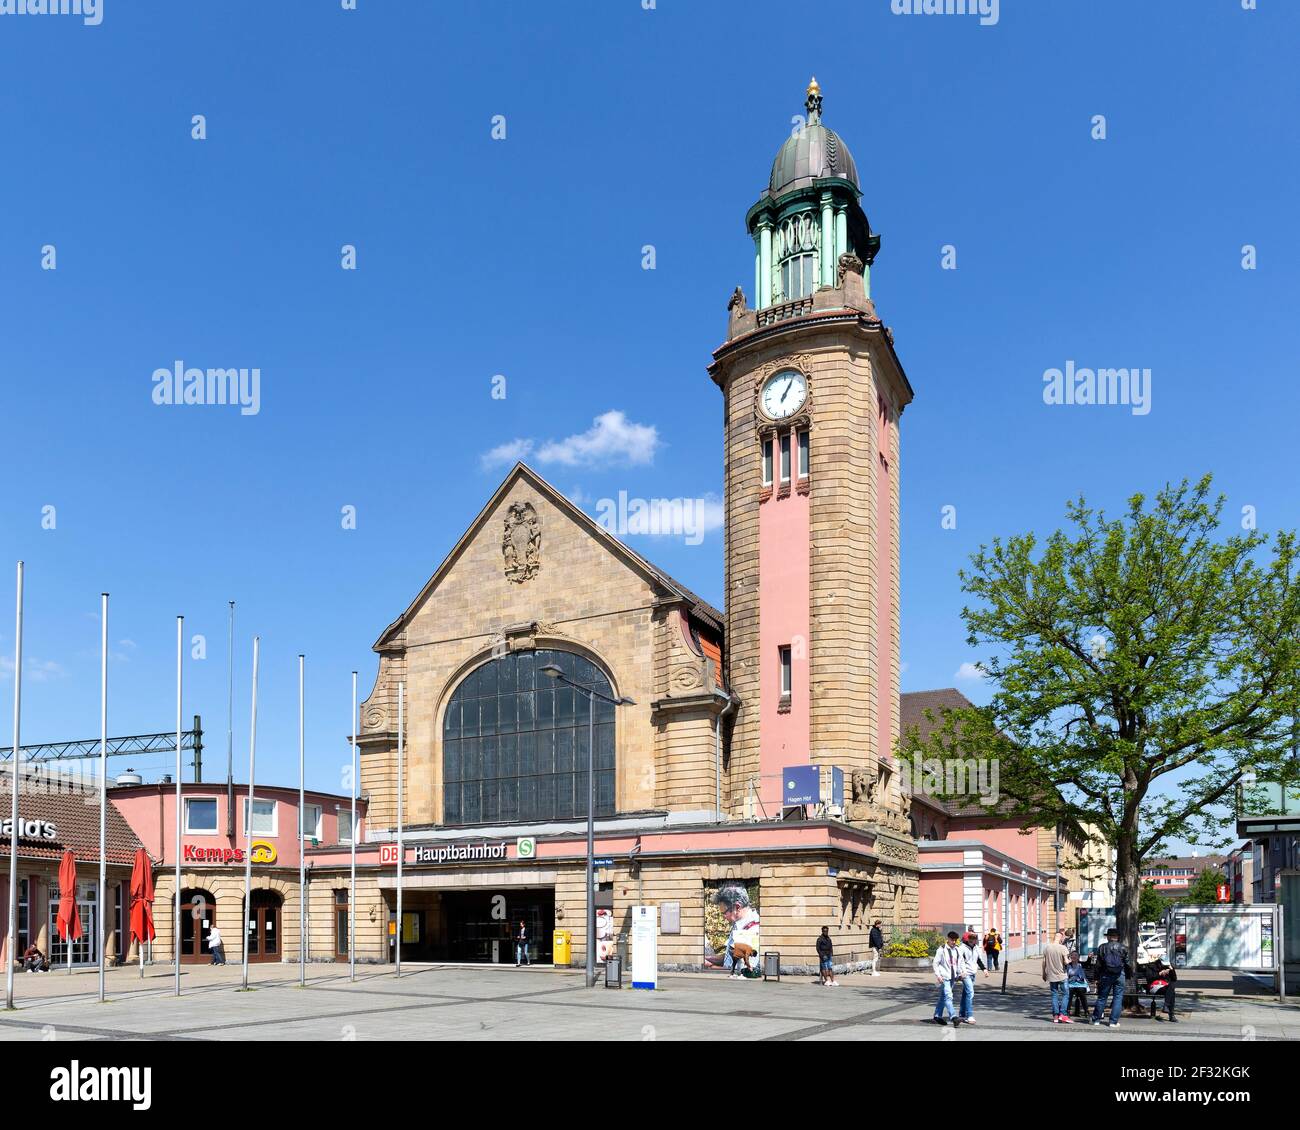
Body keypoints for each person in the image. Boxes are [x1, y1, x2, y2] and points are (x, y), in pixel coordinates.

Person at [1091, 927, 1131, 1028]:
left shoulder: (1102, 947)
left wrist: (1096, 977)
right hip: (1119, 974)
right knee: (1118, 998)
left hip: (1105, 974)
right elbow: (1128, 963)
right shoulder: (1123, 947)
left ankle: (1096, 1019)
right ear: (1117, 937)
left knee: (1102, 997)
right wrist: (1128, 975)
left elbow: (1098, 965)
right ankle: (1113, 1022)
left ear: (1108, 937)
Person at [932, 930, 969, 1026]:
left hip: (953, 978)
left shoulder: (957, 949)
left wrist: (963, 972)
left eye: (955, 940)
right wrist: (938, 975)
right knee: (949, 996)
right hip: (945, 977)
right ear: (948, 939)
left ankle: (937, 1016)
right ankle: (953, 1017)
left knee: (943, 997)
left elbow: (961, 962)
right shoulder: (941, 950)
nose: (954, 942)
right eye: (952, 940)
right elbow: (935, 963)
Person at [1042, 929, 1072, 1023]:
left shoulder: (1047, 948)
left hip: (1051, 975)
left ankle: (1055, 1016)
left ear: (1053, 938)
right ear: (1060, 938)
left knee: (1054, 995)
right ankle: (1062, 1014)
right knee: (1066, 994)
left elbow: (1043, 962)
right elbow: (1066, 962)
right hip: (1062, 975)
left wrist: (1044, 973)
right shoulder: (1063, 948)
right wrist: (1071, 960)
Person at [957, 931, 987, 1023]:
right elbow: (958, 962)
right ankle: (969, 1015)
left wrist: (984, 969)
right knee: (970, 992)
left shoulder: (976, 948)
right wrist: (960, 973)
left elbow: (978, 960)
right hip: (965, 974)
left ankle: (962, 1014)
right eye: (972, 938)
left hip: (973, 973)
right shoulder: (961, 948)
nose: (974, 940)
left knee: (965, 994)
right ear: (967, 939)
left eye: (975, 938)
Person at [1150, 958, 1178, 1023]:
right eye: (1163, 964)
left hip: (1165, 987)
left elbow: (1174, 979)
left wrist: (1171, 969)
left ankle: (1166, 1005)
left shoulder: (1167, 967)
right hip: (1155, 987)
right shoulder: (1151, 966)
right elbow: (1149, 978)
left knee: (1172, 987)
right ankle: (1171, 1015)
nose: (1164, 966)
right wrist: (1159, 974)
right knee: (1172, 991)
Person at [1065, 949, 1089, 1018]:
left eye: (1076, 955)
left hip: (1080, 984)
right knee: (1069, 993)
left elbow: (1088, 963)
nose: (1074, 957)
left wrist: (1089, 957)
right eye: (1072, 955)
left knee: (1081, 992)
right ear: (1070, 957)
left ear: (1078, 957)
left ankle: (1086, 1010)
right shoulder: (1068, 965)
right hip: (1070, 984)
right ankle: (1068, 1010)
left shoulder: (1081, 964)